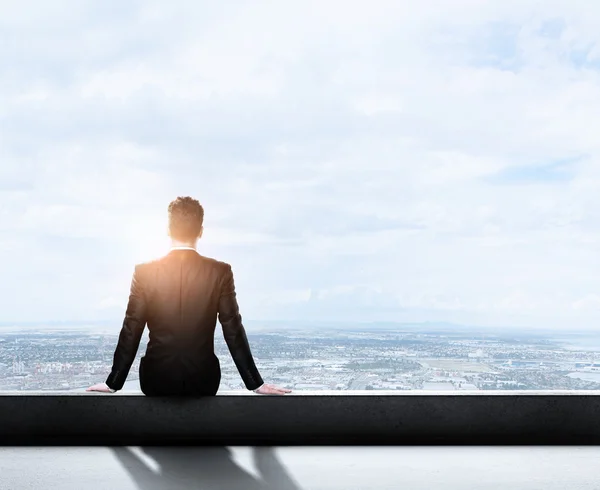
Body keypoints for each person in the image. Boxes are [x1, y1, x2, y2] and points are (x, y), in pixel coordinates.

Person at [87, 196, 291, 396]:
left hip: (155, 380)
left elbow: (132, 328)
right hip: (203, 381)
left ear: (168, 230)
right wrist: (256, 383)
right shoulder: (220, 272)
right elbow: (233, 329)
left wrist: (113, 382)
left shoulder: (144, 273)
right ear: (201, 231)